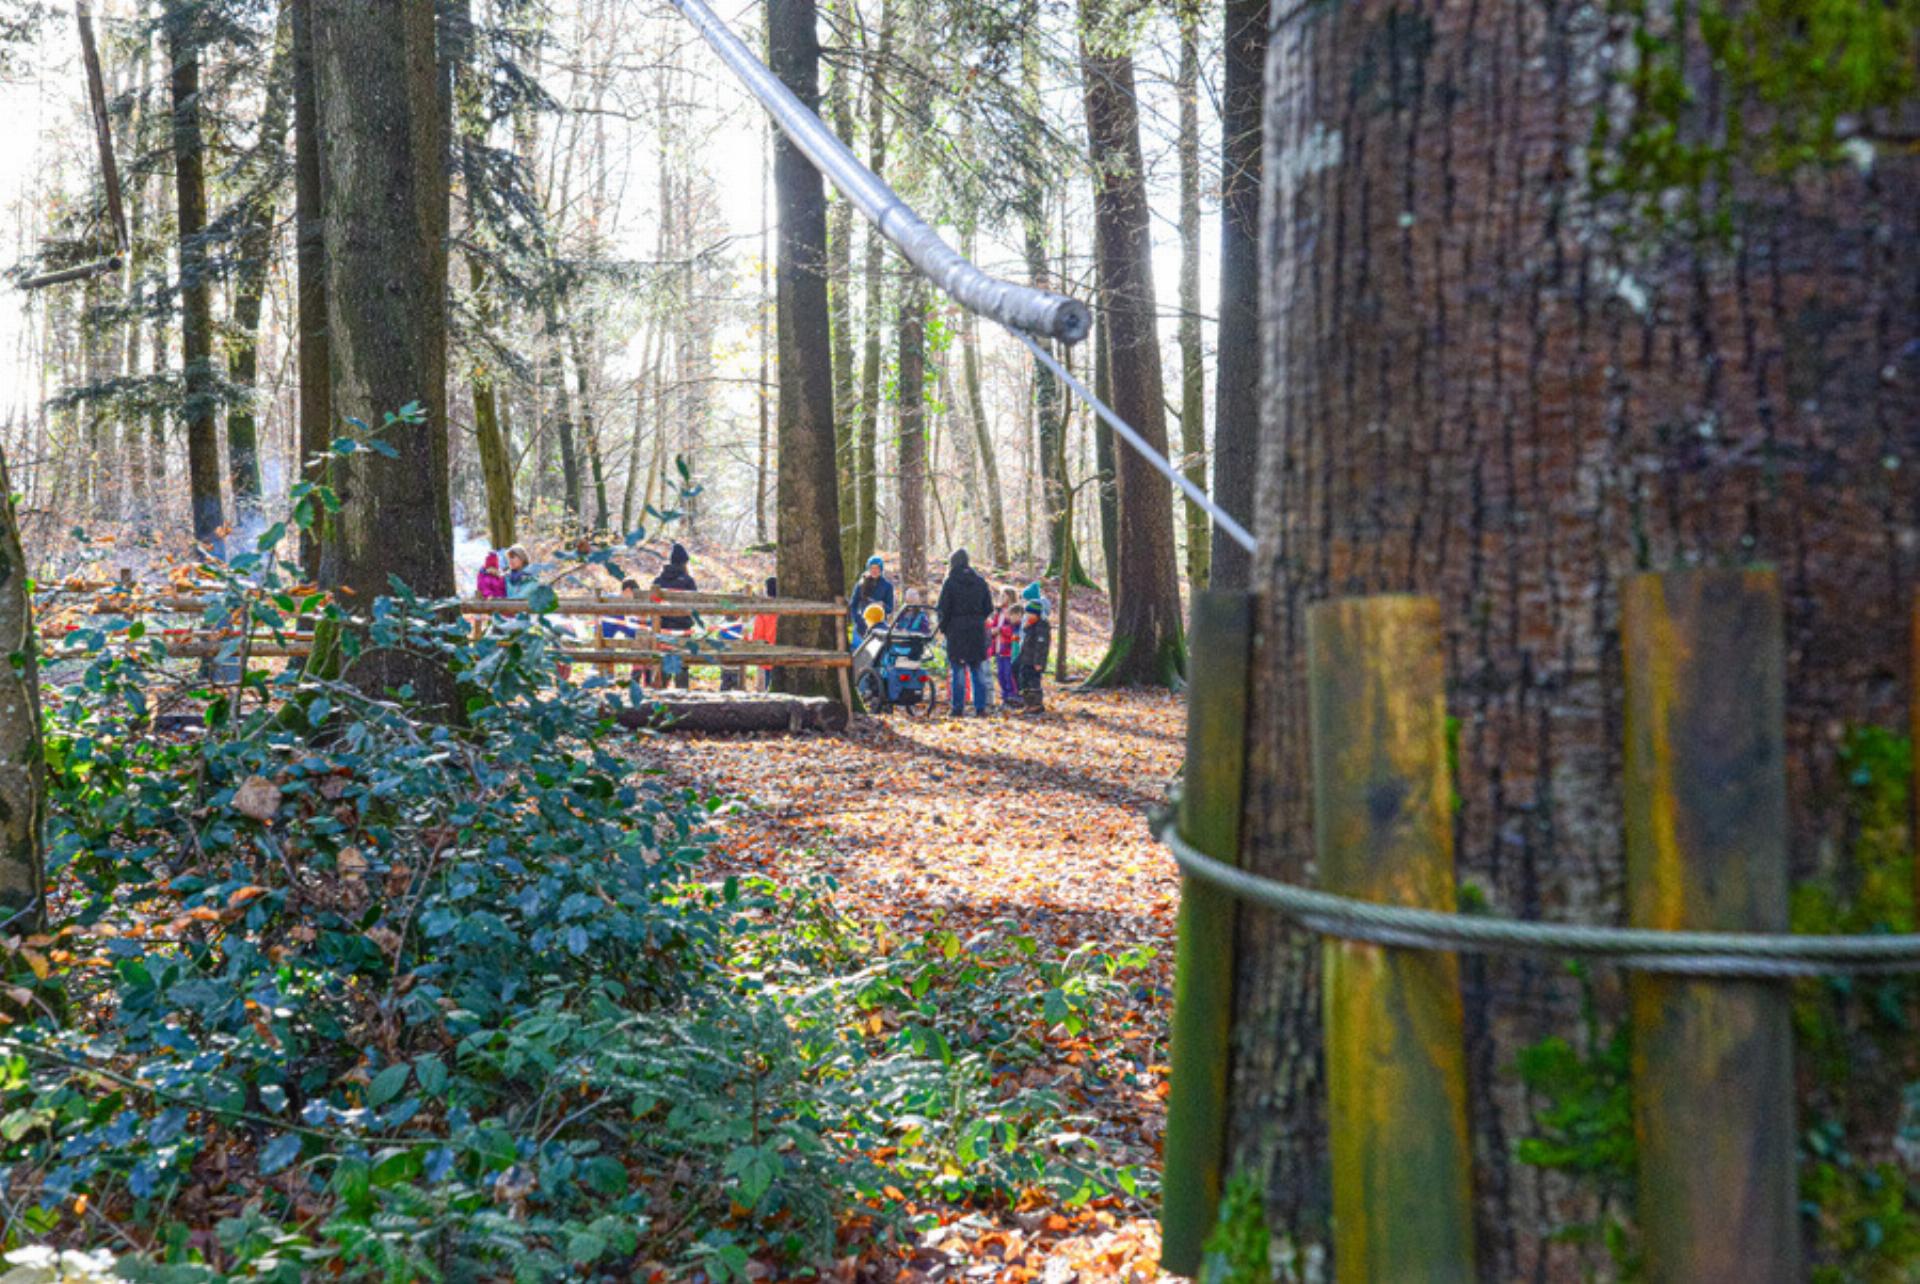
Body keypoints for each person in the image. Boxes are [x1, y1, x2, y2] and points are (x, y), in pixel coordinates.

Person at [935, 549, 994, 717]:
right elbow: (988, 607)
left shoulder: (950, 582)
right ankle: (980, 707)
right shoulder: (980, 581)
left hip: (956, 629)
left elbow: (943, 608)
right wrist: (978, 619)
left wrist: (944, 628)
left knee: (958, 670)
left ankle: (957, 708)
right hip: (976, 630)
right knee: (977, 669)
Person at [650, 543, 697, 689]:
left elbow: (652, 604)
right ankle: (682, 690)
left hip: (662, 628)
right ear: (685, 562)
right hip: (683, 629)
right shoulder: (688, 581)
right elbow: (695, 604)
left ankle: (662, 689)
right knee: (682, 662)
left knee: (664, 660)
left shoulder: (658, 581)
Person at [848, 556, 894, 643]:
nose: (874, 570)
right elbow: (853, 605)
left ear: (881, 569)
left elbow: (890, 608)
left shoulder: (887, 586)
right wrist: (857, 619)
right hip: (862, 624)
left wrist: (882, 605)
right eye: (872, 568)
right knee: (858, 652)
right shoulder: (860, 584)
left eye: (877, 568)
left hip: (879, 627)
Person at [1016, 600, 1051, 713]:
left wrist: (1038, 662)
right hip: (1026, 659)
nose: (1027, 616)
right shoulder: (1031, 625)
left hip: (1034, 661)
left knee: (1033, 682)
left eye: (1029, 613)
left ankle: (1036, 704)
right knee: (1024, 680)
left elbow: (1041, 646)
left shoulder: (1042, 626)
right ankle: (1028, 703)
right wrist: (1026, 627)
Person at [988, 587, 1021, 707]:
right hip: (998, 648)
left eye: (1004, 595)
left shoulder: (1013, 612)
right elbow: (994, 625)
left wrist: (1000, 630)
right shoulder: (999, 612)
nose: (1001, 598)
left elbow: (1014, 629)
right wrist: (991, 628)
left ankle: (1013, 696)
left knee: (1009, 674)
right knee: (1000, 674)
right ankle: (1005, 697)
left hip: (1008, 649)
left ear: (1010, 597)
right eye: (1001, 595)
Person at [749, 576, 780, 692]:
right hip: (784, 655)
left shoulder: (763, 611)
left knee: (764, 688)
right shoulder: (786, 608)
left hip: (766, 656)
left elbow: (758, 634)